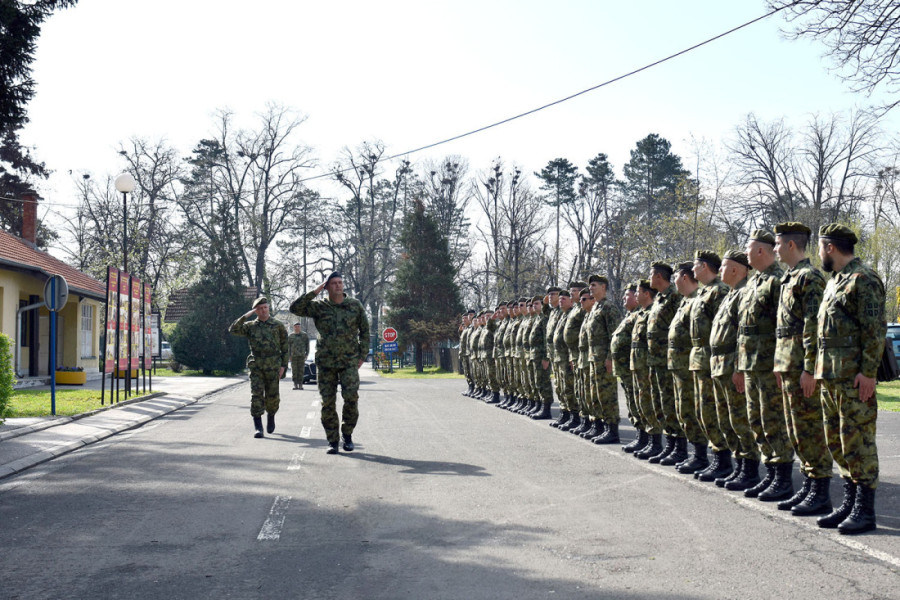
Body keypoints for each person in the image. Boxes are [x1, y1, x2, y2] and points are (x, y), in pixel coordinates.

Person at [814, 224, 885, 534]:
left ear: (830, 247)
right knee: (838, 441)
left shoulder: (863, 278)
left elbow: (874, 329)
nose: (819, 253)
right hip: (830, 374)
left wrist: (868, 372)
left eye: (820, 247)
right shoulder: (835, 281)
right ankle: (849, 502)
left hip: (853, 377)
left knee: (858, 442)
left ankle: (864, 511)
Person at [773, 222, 832, 516]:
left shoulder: (810, 277)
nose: (775, 249)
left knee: (810, 429)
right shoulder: (789, 277)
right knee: (796, 429)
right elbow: (782, 329)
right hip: (788, 364)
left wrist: (810, 368)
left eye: (777, 243)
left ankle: (820, 492)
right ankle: (808, 486)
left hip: (801, 367)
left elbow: (813, 326)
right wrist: (778, 363)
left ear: (790, 245)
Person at [740, 230, 794, 502]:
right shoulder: (753, 283)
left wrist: (780, 363)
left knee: (774, 422)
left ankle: (783, 479)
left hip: (768, 364)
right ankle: (771, 474)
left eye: (748, 248)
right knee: (757, 421)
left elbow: (783, 327)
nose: (745, 253)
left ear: (760, 250)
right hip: (750, 364)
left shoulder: (776, 281)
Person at [290, 272, 369, 454]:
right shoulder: (319, 307)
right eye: (333, 283)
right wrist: (315, 291)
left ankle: (347, 434)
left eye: (340, 282)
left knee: (351, 398)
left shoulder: (354, 305)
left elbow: (365, 331)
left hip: (349, 361)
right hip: (326, 362)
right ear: (327, 287)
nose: (338, 286)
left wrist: (362, 355)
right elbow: (295, 308)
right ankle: (332, 440)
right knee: (327, 402)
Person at [708, 251, 759, 488]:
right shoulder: (731, 294)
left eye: (724, 266)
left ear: (736, 269)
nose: (720, 270)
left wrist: (739, 367)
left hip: (732, 365)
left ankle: (749, 469)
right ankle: (738, 466)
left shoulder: (745, 293)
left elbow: (743, 334)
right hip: (720, 364)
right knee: (727, 420)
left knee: (740, 420)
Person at [685, 251, 731, 475]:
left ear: (704, 266)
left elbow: (722, 329)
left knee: (714, 412)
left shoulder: (720, 291)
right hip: (699, 359)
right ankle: (709, 457)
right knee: (702, 411)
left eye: (695, 265)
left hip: (712, 359)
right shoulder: (703, 292)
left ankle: (722, 461)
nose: (692, 270)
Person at [229, 296, 288, 438]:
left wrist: (284, 366)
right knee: (256, 396)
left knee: (272, 396)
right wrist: (246, 315)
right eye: (260, 309)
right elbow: (233, 329)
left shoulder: (278, 325)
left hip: (273, 365)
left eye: (265, 307)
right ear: (256, 311)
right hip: (256, 365)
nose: (263, 311)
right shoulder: (250, 326)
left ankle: (271, 416)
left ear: (269, 308)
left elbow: (285, 347)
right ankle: (258, 427)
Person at [646, 261, 684, 463]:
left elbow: (679, 327)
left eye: (651, 274)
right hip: (655, 360)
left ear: (659, 276)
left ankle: (679, 448)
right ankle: (669, 444)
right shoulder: (659, 298)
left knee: (671, 403)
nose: (649, 278)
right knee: (660, 404)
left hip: (668, 360)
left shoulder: (674, 297)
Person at [666, 262, 700, 466]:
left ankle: (699, 456)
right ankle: (688, 453)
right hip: (679, 364)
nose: (674, 281)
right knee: (682, 410)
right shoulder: (685, 301)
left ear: (685, 277)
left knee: (692, 411)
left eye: (676, 277)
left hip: (689, 364)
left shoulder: (697, 299)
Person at [611, 282, 642, 450]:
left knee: (638, 402)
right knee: (632, 402)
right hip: (624, 368)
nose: (624, 298)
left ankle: (644, 438)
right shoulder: (630, 315)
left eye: (627, 295)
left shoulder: (639, 315)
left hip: (634, 367)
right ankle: (640, 436)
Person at [631, 280, 661, 457]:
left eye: (638, 292)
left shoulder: (651, 313)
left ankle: (655, 442)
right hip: (638, 364)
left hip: (647, 364)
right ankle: (646, 439)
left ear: (647, 294)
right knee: (641, 402)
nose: (635, 295)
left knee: (649, 403)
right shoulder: (641, 313)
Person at [288, 322, 310, 390]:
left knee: (301, 370)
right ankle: (295, 384)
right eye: (296, 326)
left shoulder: (304, 335)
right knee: (294, 370)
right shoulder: (291, 336)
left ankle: (300, 384)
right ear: (294, 327)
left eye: (298, 326)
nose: (297, 327)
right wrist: (289, 356)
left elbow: (307, 345)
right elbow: (288, 346)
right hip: (293, 356)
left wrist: (307, 354)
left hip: (301, 356)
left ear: (300, 327)